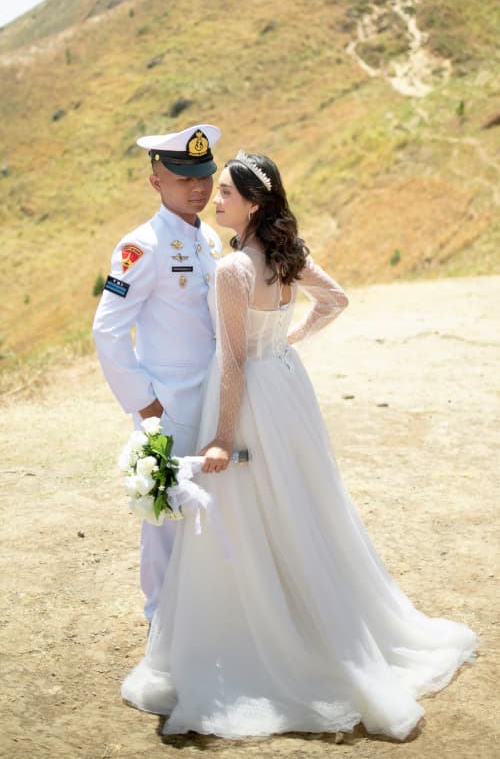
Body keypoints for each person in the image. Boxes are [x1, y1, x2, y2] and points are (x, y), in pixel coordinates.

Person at [121, 151, 477, 740]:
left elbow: (233, 360)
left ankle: (268, 632)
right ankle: (309, 614)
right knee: (299, 503)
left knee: (246, 514)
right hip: (286, 388)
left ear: (253, 204)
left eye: (227, 193)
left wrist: (221, 438)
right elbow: (335, 300)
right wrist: (288, 338)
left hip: (248, 400)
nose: (216, 199)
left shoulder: (235, 269)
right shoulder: (287, 254)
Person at [93, 123, 222, 622]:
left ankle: (205, 616)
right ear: (156, 181)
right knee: (165, 512)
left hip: (214, 395)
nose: (199, 187)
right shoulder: (141, 246)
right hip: (167, 402)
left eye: (204, 175)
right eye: (184, 178)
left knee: (213, 506)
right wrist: (144, 404)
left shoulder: (209, 238)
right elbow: (107, 330)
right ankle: (161, 623)